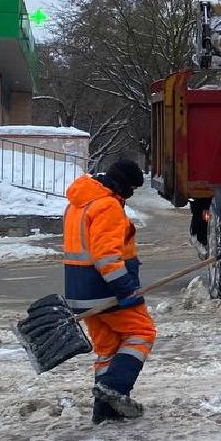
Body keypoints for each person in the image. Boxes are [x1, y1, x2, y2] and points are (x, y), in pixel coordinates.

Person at [63, 159, 154, 423]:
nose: (132, 194)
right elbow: (106, 257)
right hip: (107, 290)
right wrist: (126, 290)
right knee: (141, 333)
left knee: (108, 348)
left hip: (79, 291)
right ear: (123, 184)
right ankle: (113, 388)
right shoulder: (108, 206)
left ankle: (104, 412)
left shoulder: (79, 202)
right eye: (132, 189)